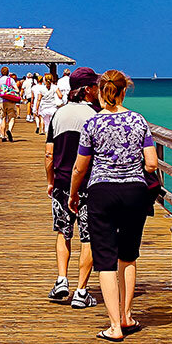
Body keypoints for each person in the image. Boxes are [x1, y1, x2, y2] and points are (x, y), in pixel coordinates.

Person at [68, 70, 158, 342]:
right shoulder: (139, 121)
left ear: (100, 90)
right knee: (128, 255)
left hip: (101, 192)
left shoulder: (92, 123)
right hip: (134, 192)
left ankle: (113, 327)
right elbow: (152, 163)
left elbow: (80, 167)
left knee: (105, 260)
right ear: (124, 90)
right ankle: (127, 316)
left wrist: (73, 195)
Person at [45, 68, 100, 308]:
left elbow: (49, 154)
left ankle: (61, 279)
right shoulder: (96, 115)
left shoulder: (59, 114)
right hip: (89, 184)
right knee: (88, 237)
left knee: (62, 232)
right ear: (88, 89)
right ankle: (81, 291)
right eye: (96, 86)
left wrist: (50, 180)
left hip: (61, 182)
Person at [0, 67, 24, 142]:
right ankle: (9, 130)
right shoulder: (11, 80)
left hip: (2, 102)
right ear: (8, 72)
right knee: (12, 117)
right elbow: (17, 90)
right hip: (10, 101)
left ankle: (3, 136)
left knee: (3, 118)